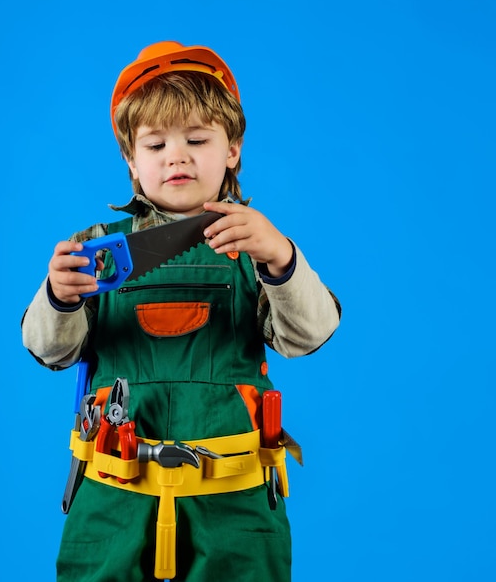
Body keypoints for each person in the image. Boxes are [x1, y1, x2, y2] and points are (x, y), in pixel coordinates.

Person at [22, 41, 341, 582]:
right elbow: (49, 350)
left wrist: (282, 258)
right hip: (114, 504)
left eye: (197, 139)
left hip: (234, 509)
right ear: (131, 159)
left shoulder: (255, 246)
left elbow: (307, 337)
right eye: (156, 144)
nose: (177, 156)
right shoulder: (97, 253)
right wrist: (59, 296)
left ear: (232, 149)